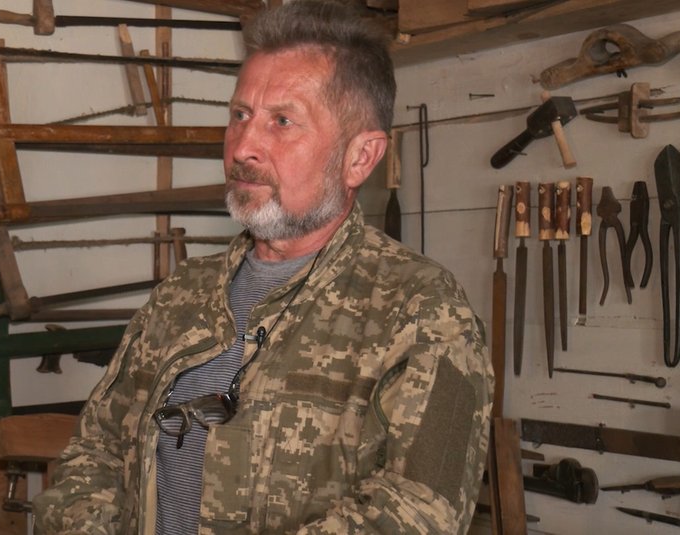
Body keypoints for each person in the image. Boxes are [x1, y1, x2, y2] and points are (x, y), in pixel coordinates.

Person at [33, 1, 493, 533]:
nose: (243, 146)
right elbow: (95, 451)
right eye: (240, 115)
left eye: (282, 121)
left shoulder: (422, 310)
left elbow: (418, 514)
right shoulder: (181, 293)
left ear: (360, 157)